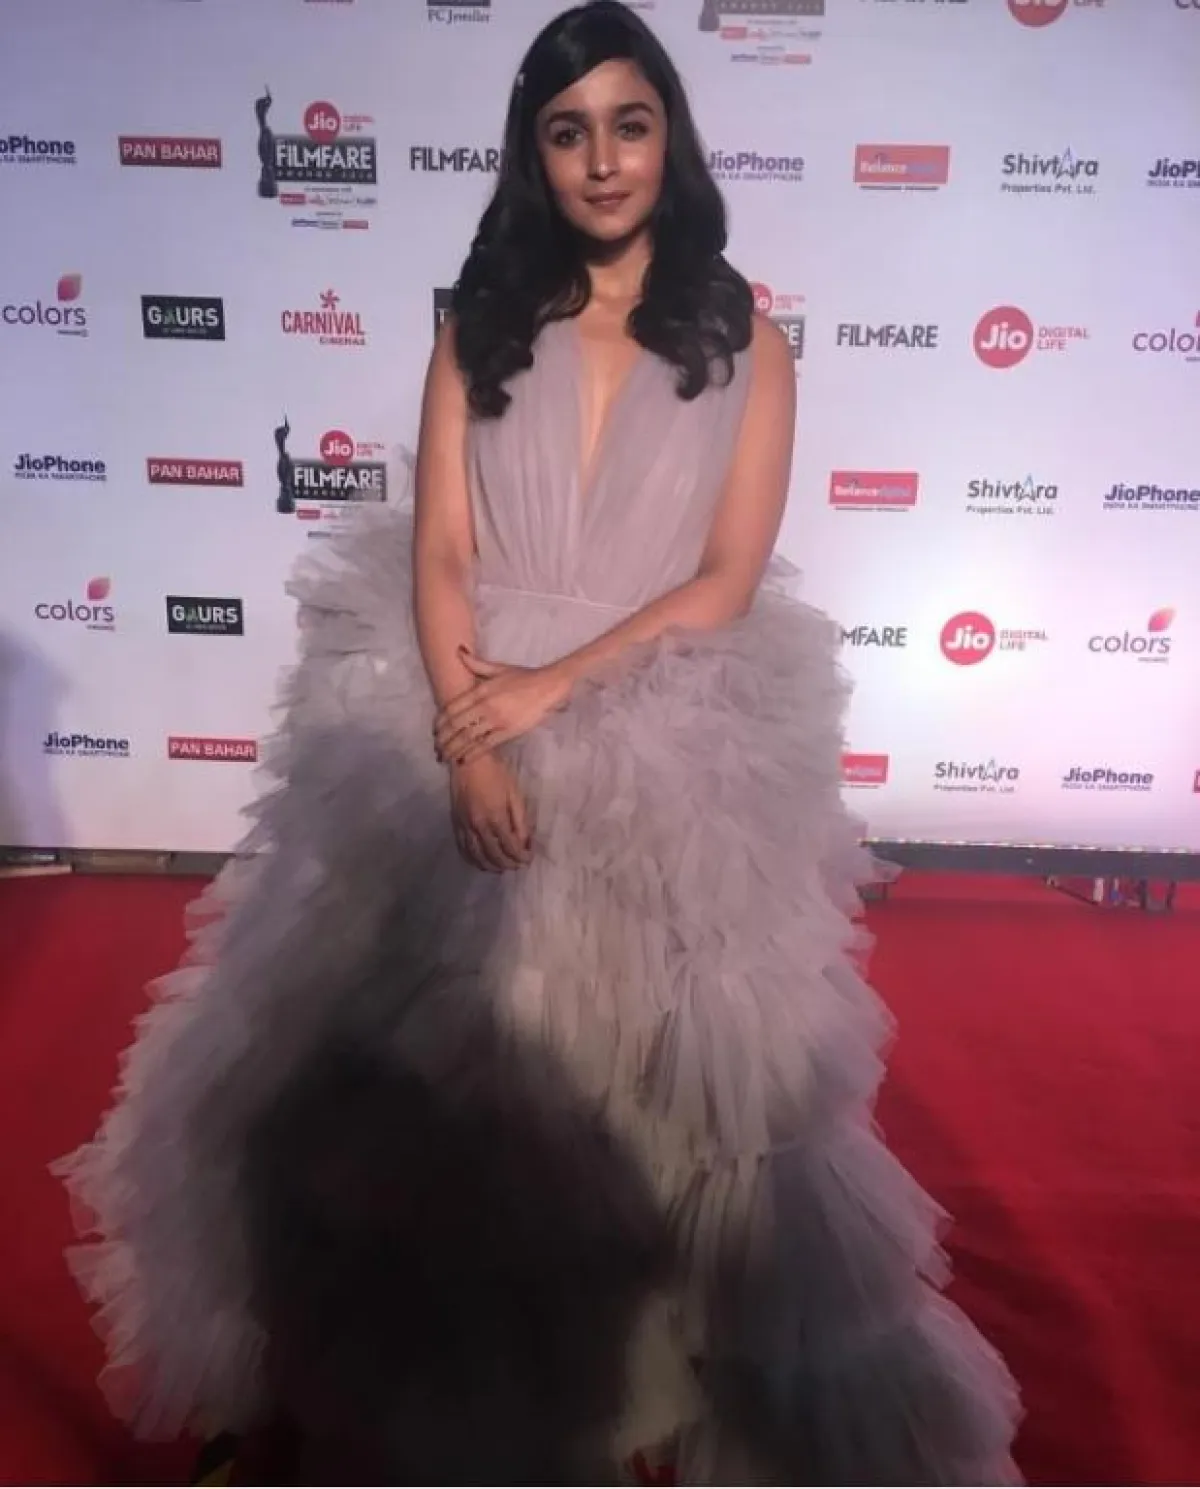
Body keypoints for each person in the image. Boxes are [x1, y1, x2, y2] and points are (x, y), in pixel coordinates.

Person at [58, 2, 1020, 1481]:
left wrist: (546, 690)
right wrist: (468, 738)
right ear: (535, 156)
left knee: (670, 1085)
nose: (604, 159)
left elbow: (725, 582)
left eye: (631, 124)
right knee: (435, 1082)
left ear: (672, 139)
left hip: (660, 718)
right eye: (570, 133)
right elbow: (441, 552)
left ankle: (631, 1388)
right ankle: (426, 1387)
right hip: (464, 696)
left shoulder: (747, 345)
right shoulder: (477, 327)